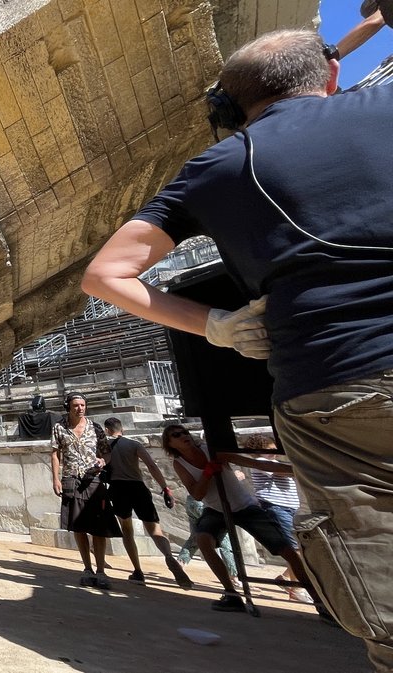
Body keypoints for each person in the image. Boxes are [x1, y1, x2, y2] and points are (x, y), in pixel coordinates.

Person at [81, 29, 392, 667]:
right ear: (329, 78)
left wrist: (216, 325)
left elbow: (104, 275)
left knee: (380, 575)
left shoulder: (221, 164)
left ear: (227, 108)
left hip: (333, 383)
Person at [160, 425, 326, 616]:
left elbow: (258, 464)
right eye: (176, 435)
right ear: (170, 443)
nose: (183, 436)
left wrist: (300, 470)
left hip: (244, 506)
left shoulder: (212, 450)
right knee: (203, 540)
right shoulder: (179, 464)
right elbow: (197, 494)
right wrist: (207, 473)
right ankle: (231, 594)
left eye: (185, 432)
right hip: (216, 509)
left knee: (287, 550)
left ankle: (319, 602)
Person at [103, 417, 192, 589]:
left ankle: (137, 570)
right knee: (154, 529)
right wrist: (165, 488)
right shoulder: (133, 444)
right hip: (137, 486)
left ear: (107, 430)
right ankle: (168, 556)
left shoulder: (106, 447)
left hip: (118, 487)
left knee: (127, 530)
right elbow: (151, 465)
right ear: (123, 429)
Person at [233, 434, 314, 604]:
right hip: (276, 508)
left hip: (289, 508)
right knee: (294, 549)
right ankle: (296, 588)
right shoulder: (262, 463)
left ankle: (285, 578)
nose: (275, 452)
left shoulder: (271, 462)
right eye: (271, 449)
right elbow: (282, 471)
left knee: (298, 548)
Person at [50, 393, 119, 589]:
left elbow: (106, 451)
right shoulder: (59, 427)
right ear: (68, 407)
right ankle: (87, 568)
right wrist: (55, 478)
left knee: (99, 526)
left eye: (82, 405)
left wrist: (103, 460)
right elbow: (55, 454)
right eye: (76, 405)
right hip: (71, 477)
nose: (80, 408)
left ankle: (101, 571)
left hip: (94, 478)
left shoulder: (95, 427)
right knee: (78, 526)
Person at [177, 494, 242, 590]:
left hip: (191, 501)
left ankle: (180, 563)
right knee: (224, 539)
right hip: (206, 504)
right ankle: (233, 576)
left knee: (195, 538)